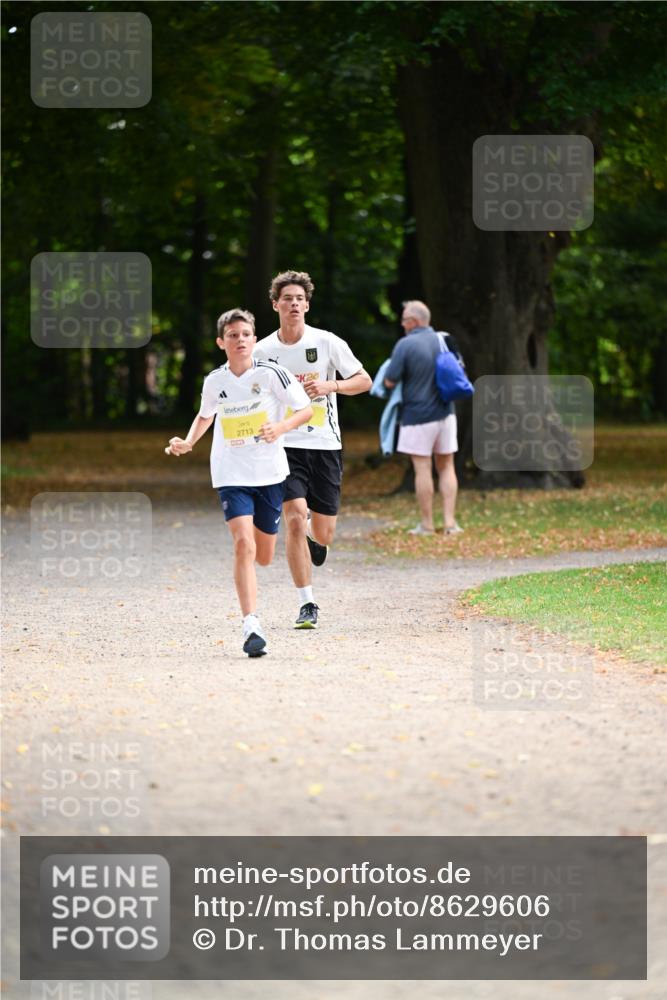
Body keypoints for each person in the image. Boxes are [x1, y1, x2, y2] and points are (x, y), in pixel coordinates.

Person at [165, 308, 312, 657]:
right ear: (222, 342)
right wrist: (188, 442)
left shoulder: (273, 373)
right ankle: (251, 625)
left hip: (270, 474)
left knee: (263, 554)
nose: (241, 340)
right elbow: (205, 415)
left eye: (246, 334)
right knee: (243, 545)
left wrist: (280, 428)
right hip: (231, 473)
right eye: (233, 335)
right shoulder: (215, 381)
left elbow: (305, 409)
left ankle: (294, 535)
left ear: (254, 338)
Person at [253, 270, 372, 629]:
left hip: (324, 444)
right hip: (284, 445)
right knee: (292, 517)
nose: (294, 304)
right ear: (276, 305)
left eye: (299, 299)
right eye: (287, 298)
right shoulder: (262, 351)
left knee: (323, 535)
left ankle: (314, 542)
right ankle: (308, 604)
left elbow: (364, 381)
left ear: (307, 305)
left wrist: (330, 385)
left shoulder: (326, 342)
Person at [383, 300, 463, 536]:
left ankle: (427, 525)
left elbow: (389, 380)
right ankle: (450, 524)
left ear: (414, 322)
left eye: (405, 319)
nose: (402, 323)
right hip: (447, 414)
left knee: (423, 469)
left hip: (417, 416)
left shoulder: (405, 345)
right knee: (447, 466)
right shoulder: (446, 339)